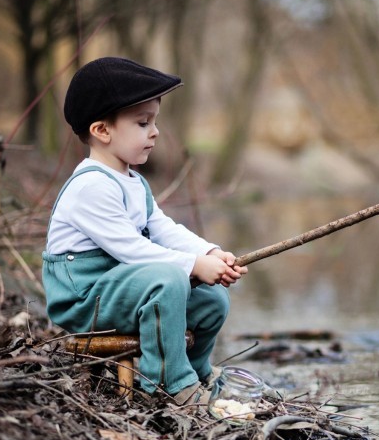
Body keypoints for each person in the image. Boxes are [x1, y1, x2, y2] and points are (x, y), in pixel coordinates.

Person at [42, 57, 247, 405]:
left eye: (154, 121)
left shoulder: (133, 181)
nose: (154, 131)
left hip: (120, 287)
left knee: (212, 299)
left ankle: (197, 373)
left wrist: (209, 253)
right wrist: (193, 266)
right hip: (84, 298)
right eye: (142, 123)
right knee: (168, 279)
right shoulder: (91, 186)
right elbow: (132, 250)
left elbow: (163, 228)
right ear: (102, 131)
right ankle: (169, 383)